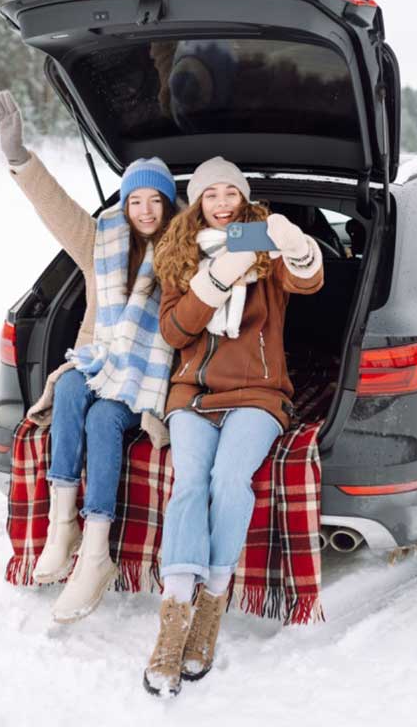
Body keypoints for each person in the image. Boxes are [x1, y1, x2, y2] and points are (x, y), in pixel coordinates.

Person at [0, 90, 178, 623]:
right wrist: (18, 157)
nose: (144, 210)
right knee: (70, 386)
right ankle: (62, 523)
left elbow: (230, 239)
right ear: (125, 204)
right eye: (135, 200)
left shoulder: (181, 250)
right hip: (99, 362)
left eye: (154, 201)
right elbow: (54, 205)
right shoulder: (100, 241)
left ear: (167, 206)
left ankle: (97, 553)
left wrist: (269, 227)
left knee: (102, 419)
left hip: (144, 376)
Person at [142, 156, 324, 697]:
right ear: (198, 202)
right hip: (193, 394)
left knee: (229, 481)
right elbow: (176, 331)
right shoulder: (177, 251)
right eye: (211, 195)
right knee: (190, 483)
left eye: (230, 193)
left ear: (242, 198)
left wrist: (297, 246)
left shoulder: (263, 241)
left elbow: (308, 281)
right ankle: (172, 626)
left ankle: (211, 608)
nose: (222, 204)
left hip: (259, 394)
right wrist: (218, 276)